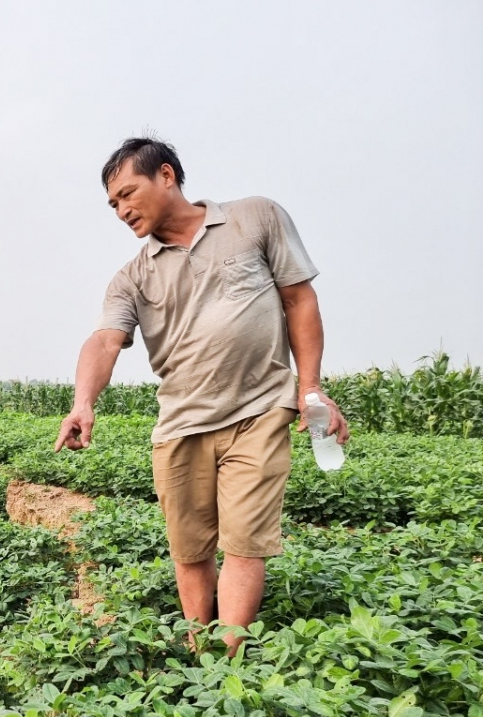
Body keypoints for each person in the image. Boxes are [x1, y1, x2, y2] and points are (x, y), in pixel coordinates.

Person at [54, 137, 349, 650]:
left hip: (258, 410)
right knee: (189, 550)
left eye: (128, 193)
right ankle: (199, 649)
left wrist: (310, 388)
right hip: (181, 424)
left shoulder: (255, 218)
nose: (121, 210)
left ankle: (228, 662)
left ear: (166, 176)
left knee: (244, 543)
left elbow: (299, 299)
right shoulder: (133, 277)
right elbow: (104, 341)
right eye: (113, 203)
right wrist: (83, 402)